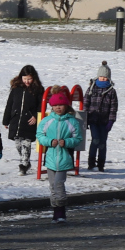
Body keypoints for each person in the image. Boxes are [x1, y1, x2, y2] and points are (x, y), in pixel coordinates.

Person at [35, 89, 84, 221]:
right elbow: (40, 135)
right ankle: (56, 211)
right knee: (52, 186)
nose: (58, 108)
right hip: (50, 158)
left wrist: (66, 142)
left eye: (61, 105)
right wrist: (50, 142)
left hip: (64, 158)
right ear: (52, 106)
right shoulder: (47, 121)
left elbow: (78, 138)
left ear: (66, 106)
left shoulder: (72, 121)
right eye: (55, 105)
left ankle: (61, 210)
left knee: (59, 184)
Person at [2, 66, 45, 176]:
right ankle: (25, 161)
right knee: (18, 144)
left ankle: (24, 165)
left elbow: (41, 105)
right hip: (16, 119)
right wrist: (6, 120)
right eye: (25, 78)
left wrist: (36, 116)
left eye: (29, 79)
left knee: (26, 142)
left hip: (29, 121)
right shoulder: (16, 88)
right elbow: (9, 104)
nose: (27, 81)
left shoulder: (38, 89)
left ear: (34, 78)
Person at [83, 61, 119, 172]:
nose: (103, 79)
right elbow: (86, 103)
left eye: (105, 78)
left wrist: (111, 121)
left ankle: (101, 164)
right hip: (93, 120)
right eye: (101, 77)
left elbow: (113, 107)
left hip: (104, 121)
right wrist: (86, 117)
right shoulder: (92, 88)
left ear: (108, 78)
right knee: (95, 140)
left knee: (102, 142)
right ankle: (91, 162)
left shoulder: (111, 91)